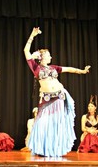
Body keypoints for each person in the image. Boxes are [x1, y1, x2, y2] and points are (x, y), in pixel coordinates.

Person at [24, 27, 91, 157]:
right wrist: (32, 35)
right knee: (42, 124)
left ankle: (54, 149)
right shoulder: (35, 68)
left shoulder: (54, 68)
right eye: (49, 55)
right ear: (42, 57)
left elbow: (69, 69)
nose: (51, 56)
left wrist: (82, 71)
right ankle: (42, 148)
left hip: (59, 97)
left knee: (56, 124)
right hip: (46, 99)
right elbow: (26, 50)